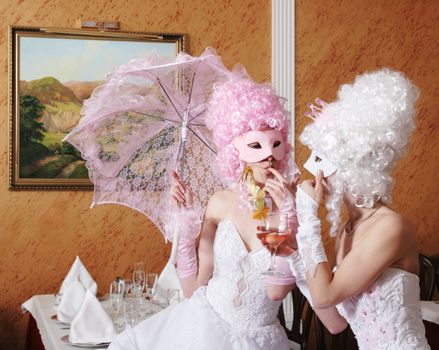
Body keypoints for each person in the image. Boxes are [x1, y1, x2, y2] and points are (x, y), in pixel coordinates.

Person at [109, 70, 298, 350]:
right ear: (235, 147)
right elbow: (193, 289)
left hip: (262, 340)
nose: (268, 154)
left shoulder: (295, 206)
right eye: (255, 144)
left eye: (275, 143)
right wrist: (183, 222)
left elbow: (277, 292)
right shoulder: (220, 202)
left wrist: (286, 216)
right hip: (205, 327)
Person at [268, 69, 430, 349]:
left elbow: (325, 295)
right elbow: (336, 321)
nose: (312, 169)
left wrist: (307, 213)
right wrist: (295, 251)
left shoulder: (391, 226)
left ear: (353, 166)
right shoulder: (349, 230)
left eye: (321, 158)